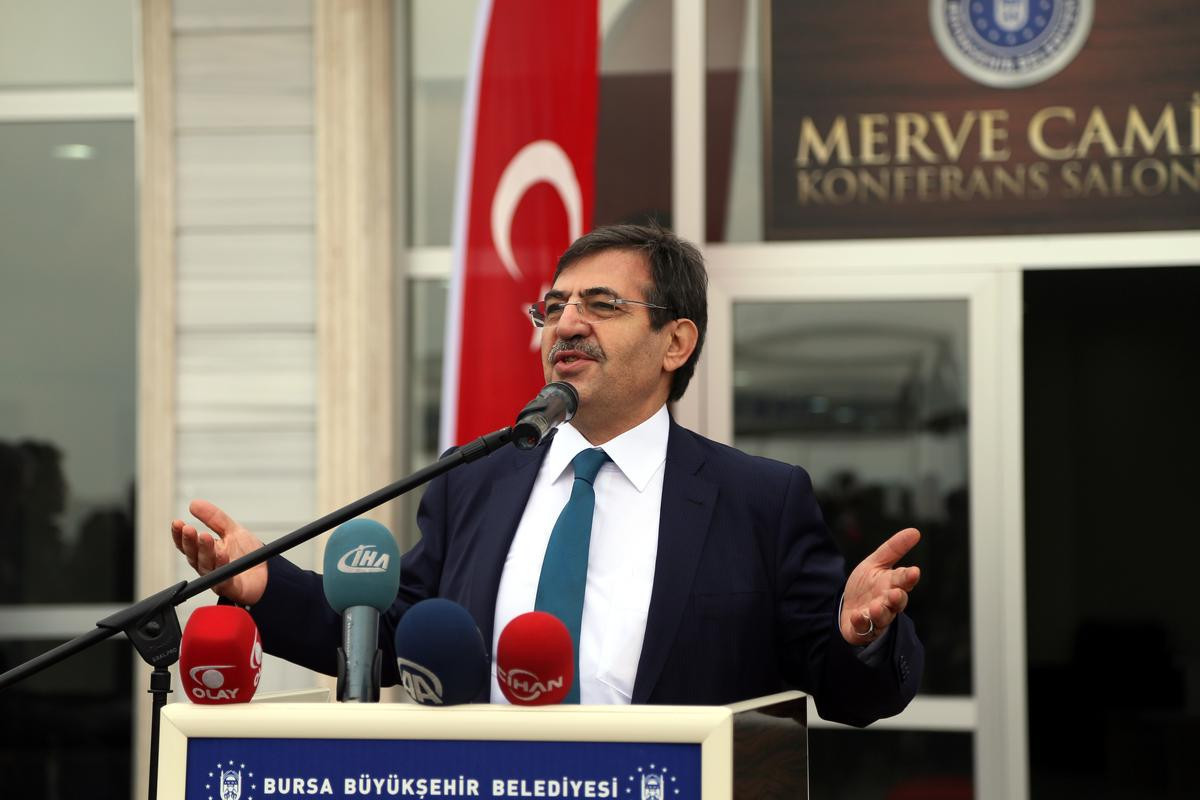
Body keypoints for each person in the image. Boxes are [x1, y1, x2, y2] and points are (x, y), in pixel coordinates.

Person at [172, 224, 923, 725]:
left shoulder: (758, 500)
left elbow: (847, 689)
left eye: (602, 305)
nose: (565, 324)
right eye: (553, 307)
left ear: (675, 343)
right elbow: (393, 634)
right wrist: (264, 585)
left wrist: (857, 635)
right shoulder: (475, 481)